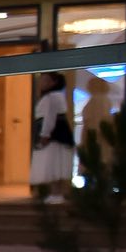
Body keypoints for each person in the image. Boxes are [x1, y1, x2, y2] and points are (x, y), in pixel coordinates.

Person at [31, 72, 74, 202]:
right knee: (54, 162)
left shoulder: (52, 97)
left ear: (54, 82)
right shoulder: (53, 96)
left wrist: (45, 134)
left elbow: (50, 117)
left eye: (45, 80)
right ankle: (55, 192)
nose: (42, 83)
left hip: (55, 133)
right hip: (55, 131)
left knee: (54, 162)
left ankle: (56, 193)